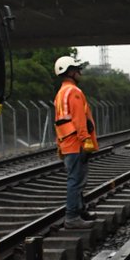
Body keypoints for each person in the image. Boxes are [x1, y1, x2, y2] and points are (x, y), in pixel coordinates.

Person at [52, 55, 98, 228]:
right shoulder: (74, 92)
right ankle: (72, 217)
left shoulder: (60, 93)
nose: (79, 72)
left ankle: (80, 210)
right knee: (76, 180)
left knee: (76, 178)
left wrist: (59, 145)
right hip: (76, 143)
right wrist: (86, 140)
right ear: (70, 72)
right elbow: (79, 120)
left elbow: (59, 121)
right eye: (77, 69)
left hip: (67, 142)